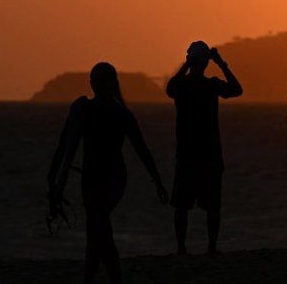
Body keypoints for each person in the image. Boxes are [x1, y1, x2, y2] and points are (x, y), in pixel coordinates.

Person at [48, 62, 168, 284]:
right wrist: (55, 183)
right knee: (95, 229)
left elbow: (141, 149)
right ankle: (90, 277)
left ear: (111, 83)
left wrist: (158, 182)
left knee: (98, 223)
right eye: (93, 79)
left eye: (100, 79)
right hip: (90, 178)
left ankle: (110, 278)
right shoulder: (83, 109)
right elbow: (67, 147)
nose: (95, 83)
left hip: (114, 178)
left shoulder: (122, 114)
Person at [166, 41, 243, 255]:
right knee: (212, 206)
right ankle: (211, 247)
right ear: (206, 63)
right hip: (209, 155)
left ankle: (181, 248)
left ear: (191, 60)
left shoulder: (183, 86)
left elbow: (170, 89)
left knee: (182, 206)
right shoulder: (211, 85)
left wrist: (186, 65)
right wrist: (221, 63)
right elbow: (237, 89)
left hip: (187, 155)